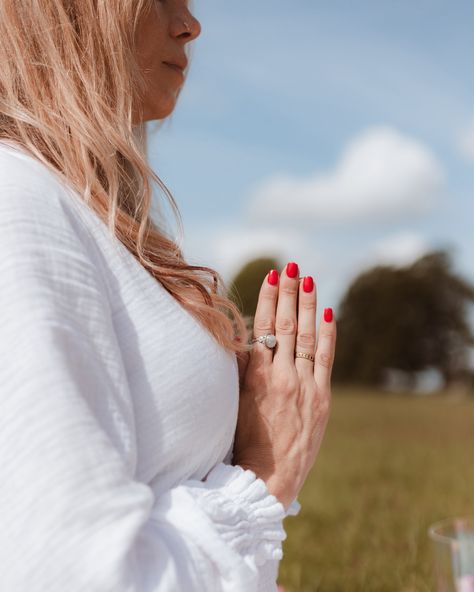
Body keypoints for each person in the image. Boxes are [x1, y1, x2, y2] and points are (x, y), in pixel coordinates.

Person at [0, 1, 337, 591]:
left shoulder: (74, 208)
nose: (189, 24)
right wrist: (261, 481)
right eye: (159, 0)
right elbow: (71, 574)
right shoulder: (17, 201)